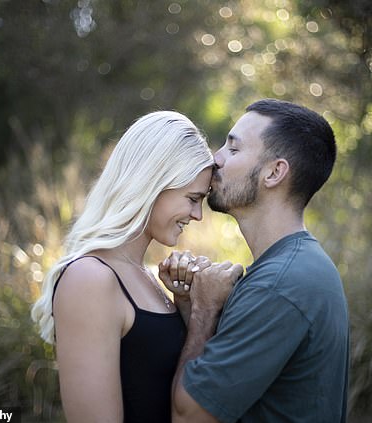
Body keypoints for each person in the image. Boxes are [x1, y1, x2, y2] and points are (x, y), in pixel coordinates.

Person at [31, 110, 226, 423]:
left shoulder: (147, 276)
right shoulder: (90, 279)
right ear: (153, 183)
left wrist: (190, 306)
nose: (198, 215)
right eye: (192, 198)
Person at [170, 99, 350, 422]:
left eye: (233, 150)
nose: (216, 158)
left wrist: (204, 310)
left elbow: (189, 414)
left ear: (274, 172)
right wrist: (190, 302)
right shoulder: (293, 267)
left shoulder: (280, 284)